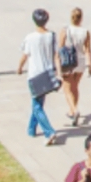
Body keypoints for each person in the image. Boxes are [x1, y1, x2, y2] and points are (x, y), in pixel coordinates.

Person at [18, 8, 59, 146]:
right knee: (38, 103)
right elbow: (56, 55)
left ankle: (49, 131)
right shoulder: (52, 35)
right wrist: (58, 72)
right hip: (47, 73)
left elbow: (25, 55)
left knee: (37, 105)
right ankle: (31, 129)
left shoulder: (30, 38)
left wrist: (19, 68)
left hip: (35, 74)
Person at [59, 7, 91, 127]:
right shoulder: (85, 31)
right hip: (81, 61)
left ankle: (74, 110)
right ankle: (72, 110)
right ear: (81, 18)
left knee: (67, 88)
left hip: (68, 61)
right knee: (75, 87)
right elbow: (88, 50)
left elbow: (60, 47)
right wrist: (90, 65)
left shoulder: (66, 30)